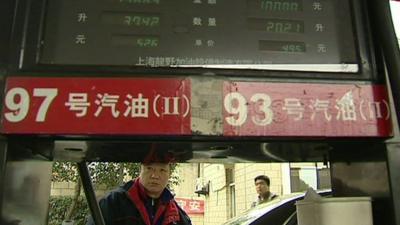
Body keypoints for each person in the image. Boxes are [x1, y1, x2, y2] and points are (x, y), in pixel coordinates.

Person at [87, 149, 192, 225]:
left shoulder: (176, 214)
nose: (155, 176)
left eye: (162, 170)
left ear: (169, 175)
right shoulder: (113, 203)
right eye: (149, 168)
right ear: (140, 171)